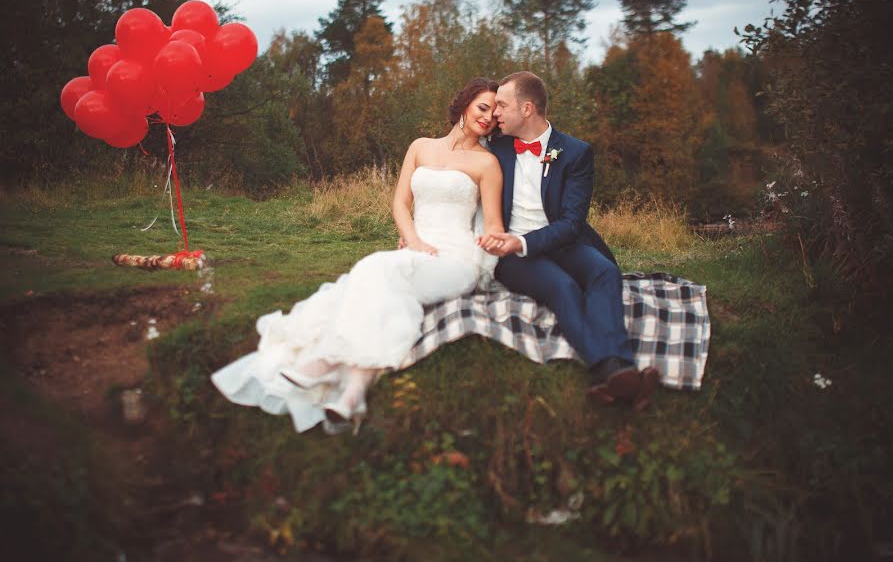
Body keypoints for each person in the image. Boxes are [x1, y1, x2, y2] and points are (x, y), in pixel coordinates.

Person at [212, 78, 504, 433]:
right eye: (482, 107)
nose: (487, 117)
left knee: (377, 271)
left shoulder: (487, 164)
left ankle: (325, 362)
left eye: (494, 112)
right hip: (416, 247)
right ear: (464, 105)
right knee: (377, 277)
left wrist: (502, 246)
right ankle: (353, 393)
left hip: (455, 258)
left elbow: (492, 224)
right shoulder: (421, 146)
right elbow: (400, 202)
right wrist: (412, 239)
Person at [479, 71, 660, 410]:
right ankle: (615, 369)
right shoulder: (495, 147)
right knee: (563, 287)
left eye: (502, 105)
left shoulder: (576, 153)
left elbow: (572, 223)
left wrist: (527, 242)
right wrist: (515, 243)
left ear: (528, 108)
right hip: (512, 253)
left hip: (563, 242)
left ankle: (616, 375)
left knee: (604, 271)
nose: (495, 113)